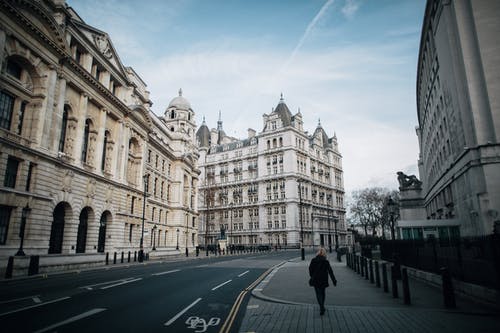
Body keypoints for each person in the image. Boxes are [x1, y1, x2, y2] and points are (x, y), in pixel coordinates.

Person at [309, 247, 337, 315]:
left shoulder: (313, 260)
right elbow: (330, 271)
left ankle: (321, 306)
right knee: (323, 293)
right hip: (323, 279)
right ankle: (322, 306)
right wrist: (334, 280)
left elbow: (310, 269)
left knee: (318, 294)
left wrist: (312, 276)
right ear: (324, 254)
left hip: (316, 279)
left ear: (318, 253)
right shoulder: (326, 261)